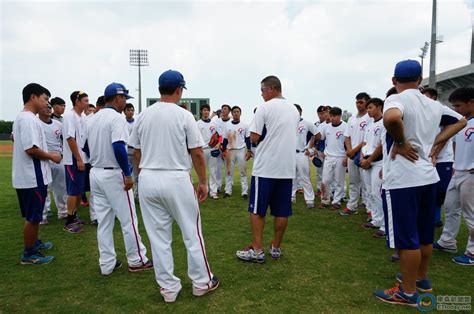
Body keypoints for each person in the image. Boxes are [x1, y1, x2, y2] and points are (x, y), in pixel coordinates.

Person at [373, 60, 466, 307]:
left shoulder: (396, 99)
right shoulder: (433, 104)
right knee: (424, 236)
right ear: (420, 79)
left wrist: (401, 142)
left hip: (403, 179)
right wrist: (435, 143)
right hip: (428, 177)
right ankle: (422, 279)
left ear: (394, 80)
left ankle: (408, 292)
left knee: (407, 239)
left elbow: (392, 119)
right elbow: (461, 121)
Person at [130, 70, 219, 303]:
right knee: (191, 233)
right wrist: (203, 182)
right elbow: (197, 152)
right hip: (176, 177)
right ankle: (201, 282)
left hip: (149, 177)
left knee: (158, 238)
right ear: (179, 89)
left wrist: (142, 173)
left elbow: (135, 151)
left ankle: (168, 289)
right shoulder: (184, 115)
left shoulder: (143, 115)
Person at [84, 82, 152, 275]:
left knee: (104, 221)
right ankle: (137, 260)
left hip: (95, 172)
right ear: (117, 98)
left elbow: (85, 147)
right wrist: (128, 173)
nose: (125, 103)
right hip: (114, 173)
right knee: (128, 219)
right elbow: (118, 147)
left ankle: (106, 264)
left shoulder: (92, 118)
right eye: (124, 98)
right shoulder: (116, 118)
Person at [236, 75, 299, 263]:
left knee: (257, 209)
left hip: (266, 167)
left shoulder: (264, 107)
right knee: (282, 211)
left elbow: (254, 137)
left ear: (271, 88)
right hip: (286, 167)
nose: (261, 94)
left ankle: (256, 249)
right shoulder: (294, 110)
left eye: (262, 90)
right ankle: (276, 247)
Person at [12, 83, 62, 265]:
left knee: (34, 215)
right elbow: (31, 149)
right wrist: (52, 156)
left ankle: (33, 243)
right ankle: (29, 254)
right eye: (44, 99)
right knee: (34, 218)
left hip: (29, 176)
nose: (46, 103)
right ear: (33, 97)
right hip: (33, 177)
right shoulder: (28, 119)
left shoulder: (24, 118)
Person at [433, 87, 474, 266]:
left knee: (471, 214)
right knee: (450, 208)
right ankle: (447, 241)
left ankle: (472, 252)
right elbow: (456, 145)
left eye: (458, 106)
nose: (456, 110)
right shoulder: (463, 122)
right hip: (458, 170)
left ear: (471, 102)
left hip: (471, 173)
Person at [422, 88, 454, 227]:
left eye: (426, 96)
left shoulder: (441, 110)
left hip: (443, 159)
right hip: (427, 158)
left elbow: (445, 137)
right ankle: (430, 217)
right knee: (428, 189)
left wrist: (435, 153)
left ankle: (436, 218)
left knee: (440, 191)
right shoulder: (424, 112)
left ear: (434, 97)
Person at [62, 90, 89, 233]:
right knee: (73, 191)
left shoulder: (82, 117)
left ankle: (74, 215)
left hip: (82, 158)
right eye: (85, 100)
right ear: (77, 101)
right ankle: (69, 221)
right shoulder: (69, 116)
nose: (87, 103)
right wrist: (78, 158)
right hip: (73, 159)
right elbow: (70, 138)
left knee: (79, 190)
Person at [341, 92, 372, 216]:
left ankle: (371, 210)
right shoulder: (352, 118)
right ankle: (352, 206)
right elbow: (347, 136)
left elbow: (367, 139)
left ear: (367, 103)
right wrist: (349, 150)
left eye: (361, 102)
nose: (358, 105)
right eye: (357, 102)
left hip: (365, 154)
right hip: (352, 154)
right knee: (353, 182)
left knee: (367, 184)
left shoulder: (370, 118)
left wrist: (355, 151)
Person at [358, 98, 385, 238]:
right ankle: (376, 219)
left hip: (378, 162)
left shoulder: (384, 122)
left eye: (371, 107)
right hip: (367, 160)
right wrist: (362, 158)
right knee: (369, 192)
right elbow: (366, 143)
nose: (368, 110)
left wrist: (369, 159)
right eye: (367, 108)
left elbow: (381, 145)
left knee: (377, 192)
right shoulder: (369, 125)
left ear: (379, 107)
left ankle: (385, 225)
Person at [38, 104, 68, 224]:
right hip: (43, 159)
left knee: (61, 187)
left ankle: (63, 212)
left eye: (50, 107)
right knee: (44, 187)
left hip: (59, 158)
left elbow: (66, 140)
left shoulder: (58, 124)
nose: (48, 109)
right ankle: (43, 215)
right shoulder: (34, 123)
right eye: (45, 107)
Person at [318, 107, 347, 210]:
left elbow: (348, 143)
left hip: (340, 156)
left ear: (340, 116)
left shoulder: (345, 127)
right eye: (331, 116)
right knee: (325, 180)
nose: (332, 118)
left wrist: (346, 156)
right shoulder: (326, 127)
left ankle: (336, 201)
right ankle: (325, 200)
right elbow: (320, 138)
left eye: (334, 116)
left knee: (339, 181)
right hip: (329, 157)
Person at [221, 106, 252, 199]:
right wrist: (223, 151)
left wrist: (249, 150)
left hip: (241, 150)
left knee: (243, 172)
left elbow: (247, 139)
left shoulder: (245, 125)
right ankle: (228, 191)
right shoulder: (227, 125)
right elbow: (225, 140)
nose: (236, 113)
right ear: (232, 113)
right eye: (234, 112)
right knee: (228, 172)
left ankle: (244, 192)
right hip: (230, 150)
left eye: (237, 111)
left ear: (240, 113)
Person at [292, 104, 319, 208]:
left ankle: (309, 199)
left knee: (305, 177)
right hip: (291, 153)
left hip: (302, 153)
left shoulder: (307, 124)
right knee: (291, 177)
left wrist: (312, 148)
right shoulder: (288, 123)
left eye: (296, 111)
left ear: (300, 112)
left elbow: (318, 135)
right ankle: (291, 197)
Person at [197, 104, 220, 199]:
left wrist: (218, 143)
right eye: (204, 110)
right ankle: (204, 190)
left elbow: (219, 136)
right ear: (201, 111)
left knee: (213, 171)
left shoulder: (214, 124)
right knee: (202, 172)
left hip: (212, 149)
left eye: (207, 110)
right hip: (202, 149)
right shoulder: (197, 124)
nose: (206, 112)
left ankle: (213, 192)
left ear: (209, 112)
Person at [215, 104, 232, 192]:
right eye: (222, 109)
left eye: (225, 109)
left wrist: (226, 146)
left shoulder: (232, 122)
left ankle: (228, 188)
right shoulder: (217, 121)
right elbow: (217, 134)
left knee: (228, 168)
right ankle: (218, 186)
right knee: (218, 168)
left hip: (228, 148)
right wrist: (219, 143)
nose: (223, 110)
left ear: (229, 111)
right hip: (218, 146)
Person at [124, 103, 138, 199]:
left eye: (132, 110)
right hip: (125, 151)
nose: (130, 112)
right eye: (128, 110)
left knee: (137, 174)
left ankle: (136, 194)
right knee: (127, 174)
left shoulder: (136, 122)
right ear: (124, 111)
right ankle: (128, 195)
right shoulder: (121, 122)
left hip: (135, 151)